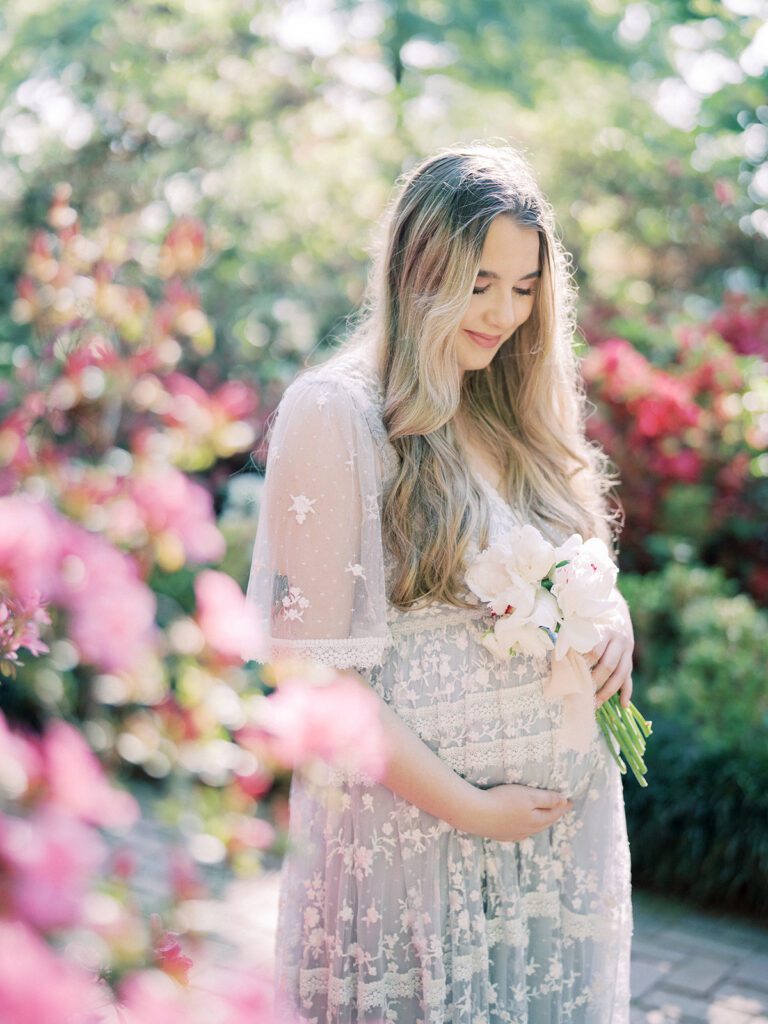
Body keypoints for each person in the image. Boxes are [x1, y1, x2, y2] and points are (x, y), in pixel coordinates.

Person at [245, 142, 635, 1023]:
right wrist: (470, 808)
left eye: (525, 286)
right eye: (480, 280)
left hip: (555, 847)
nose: (503, 312)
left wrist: (615, 627)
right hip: (414, 843)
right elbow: (312, 671)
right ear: (416, 265)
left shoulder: (510, 411)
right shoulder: (337, 410)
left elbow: (590, 570)